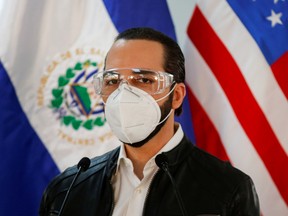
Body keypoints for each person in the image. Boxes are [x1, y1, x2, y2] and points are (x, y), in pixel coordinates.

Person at [39, 27, 260, 216]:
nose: (124, 93)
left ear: (176, 96)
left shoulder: (228, 189)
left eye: (144, 80)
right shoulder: (67, 189)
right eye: (113, 80)